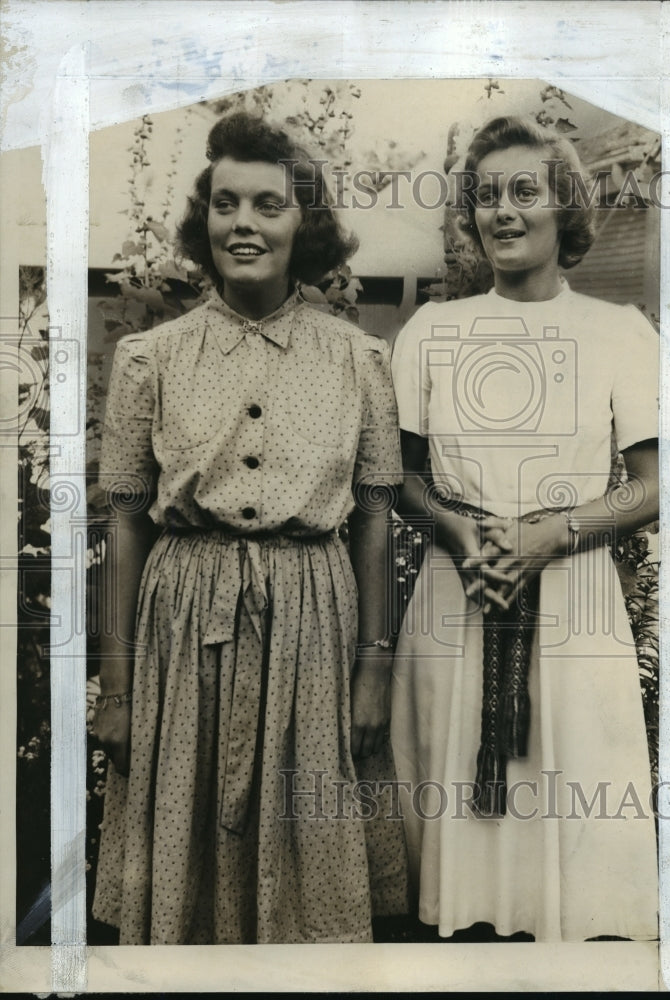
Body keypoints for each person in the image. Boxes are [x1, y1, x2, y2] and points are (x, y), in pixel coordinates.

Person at [91, 112, 407, 944]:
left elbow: (373, 520)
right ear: (205, 222)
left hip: (312, 627)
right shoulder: (148, 360)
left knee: (305, 859)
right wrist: (116, 691)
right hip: (182, 629)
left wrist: (374, 668)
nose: (244, 224)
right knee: (185, 850)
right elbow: (125, 528)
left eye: (269, 205)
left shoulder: (358, 361)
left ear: (304, 223)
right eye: (226, 204)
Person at [390, 115, 660, 942]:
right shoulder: (433, 332)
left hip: (572, 609)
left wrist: (555, 532)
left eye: (523, 192)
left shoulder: (618, 332)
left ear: (562, 208)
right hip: (455, 595)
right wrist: (457, 531)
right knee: (452, 853)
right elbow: (395, 479)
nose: (501, 211)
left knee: (572, 832)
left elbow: (655, 486)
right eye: (484, 196)